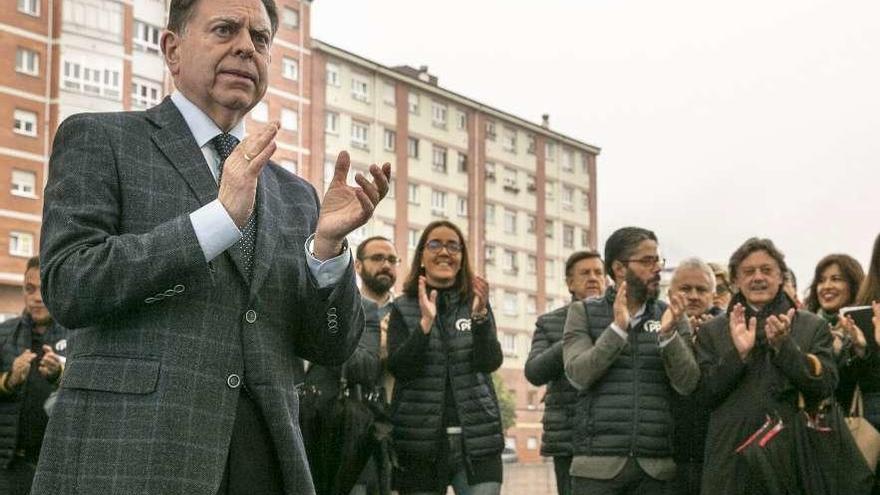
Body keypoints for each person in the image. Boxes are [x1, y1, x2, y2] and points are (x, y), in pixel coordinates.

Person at [34, 0, 391, 492]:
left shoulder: (296, 194)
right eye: (225, 29)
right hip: (131, 454)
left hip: (264, 460)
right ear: (171, 48)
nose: (247, 46)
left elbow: (329, 345)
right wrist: (217, 222)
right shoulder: (102, 139)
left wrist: (327, 252)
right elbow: (70, 284)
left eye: (260, 39)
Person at [563, 227, 699, 495]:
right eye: (647, 261)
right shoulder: (583, 313)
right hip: (597, 470)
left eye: (658, 260)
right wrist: (617, 329)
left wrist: (669, 336)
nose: (657, 269)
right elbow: (578, 374)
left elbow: (688, 384)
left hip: (655, 469)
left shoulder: (671, 314)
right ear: (619, 268)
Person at [695, 238, 836, 495]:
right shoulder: (712, 331)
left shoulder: (811, 326)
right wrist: (738, 355)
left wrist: (785, 347)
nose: (758, 277)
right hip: (730, 460)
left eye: (767, 270)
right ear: (735, 281)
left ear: (781, 277)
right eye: (748, 272)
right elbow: (704, 394)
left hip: (791, 457)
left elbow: (825, 384)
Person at [386, 220, 504, 495]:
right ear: (422, 258)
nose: (444, 252)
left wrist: (480, 317)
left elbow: (490, 362)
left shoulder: (477, 303)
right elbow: (400, 368)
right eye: (435, 244)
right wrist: (425, 324)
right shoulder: (403, 307)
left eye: (454, 246)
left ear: (462, 260)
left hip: (478, 442)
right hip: (420, 446)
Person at [525, 250, 606, 495]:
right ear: (570, 283)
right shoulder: (550, 323)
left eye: (598, 273)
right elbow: (534, 371)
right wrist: (575, 335)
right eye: (585, 273)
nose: (593, 278)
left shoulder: (621, 319)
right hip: (569, 438)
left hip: (614, 437)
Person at [0, 257, 67, 495]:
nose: (37, 297)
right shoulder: (5, 333)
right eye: (30, 289)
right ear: (23, 291)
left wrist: (60, 374)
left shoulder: (78, 334)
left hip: (57, 467)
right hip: (9, 466)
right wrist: (9, 380)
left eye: (43, 288)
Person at [665, 258, 718, 495]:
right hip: (668, 452)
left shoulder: (733, 330)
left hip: (715, 450)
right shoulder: (655, 326)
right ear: (670, 293)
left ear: (713, 294)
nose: (694, 296)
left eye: (702, 289)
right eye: (686, 289)